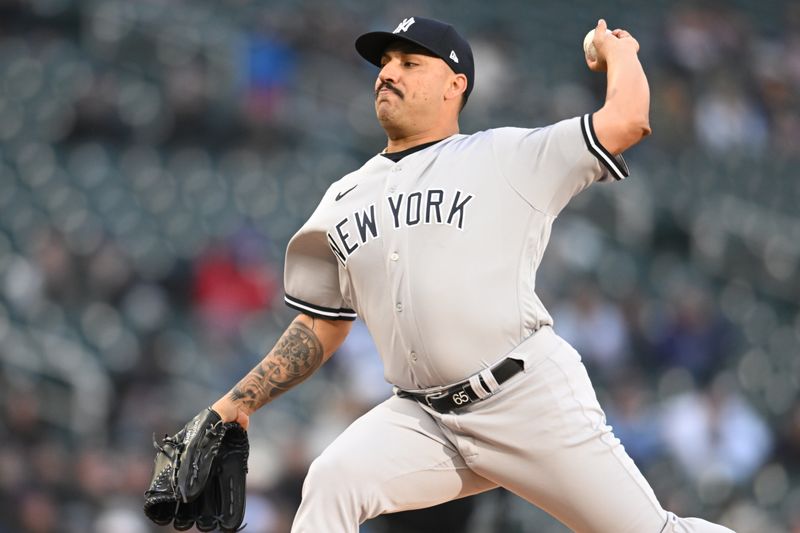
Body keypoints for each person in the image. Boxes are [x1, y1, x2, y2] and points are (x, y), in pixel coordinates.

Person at [210, 16, 735, 532]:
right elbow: (321, 325)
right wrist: (233, 404)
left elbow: (627, 120)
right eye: (385, 63)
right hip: (423, 418)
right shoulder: (344, 197)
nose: (388, 73)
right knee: (333, 481)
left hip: (525, 398)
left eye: (410, 62)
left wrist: (621, 53)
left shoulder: (506, 155)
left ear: (454, 85)